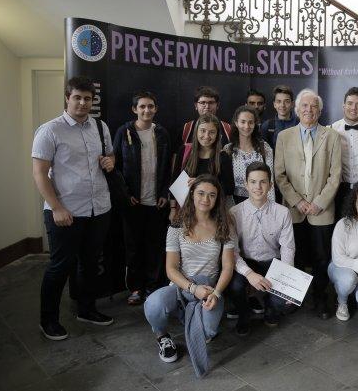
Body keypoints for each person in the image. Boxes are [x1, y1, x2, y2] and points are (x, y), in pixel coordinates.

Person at [32, 76, 114, 340]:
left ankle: (86, 309)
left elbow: (109, 156)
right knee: (60, 267)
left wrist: (109, 162)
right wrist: (56, 207)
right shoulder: (50, 130)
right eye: (77, 97)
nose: (82, 103)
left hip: (98, 208)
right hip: (65, 211)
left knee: (90, 264)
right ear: (67, 98)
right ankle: (49, 321)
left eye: (87, 98)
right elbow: (40, 173)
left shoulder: (100, 127)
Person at [144, 175, 235, 377]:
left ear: (217, 199)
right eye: (201, 193)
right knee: (153, 304)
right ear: (192, 194)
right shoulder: (177, 227)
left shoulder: (225, 225)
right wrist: (193, 289)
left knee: (209, 332)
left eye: (212, 195)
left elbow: (228, 266)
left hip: (210, 289)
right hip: (181, 287)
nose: (206, 199)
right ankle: (161, 335)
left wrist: (216, 293)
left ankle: (190, 317)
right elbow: (171, 269)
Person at [275, 88, 342, 319]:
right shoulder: (284, 137)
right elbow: (279, 174)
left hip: (322, 211)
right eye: (304, 106)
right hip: (294, 210)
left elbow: (336, 175)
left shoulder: (332, 136)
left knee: (321, 257)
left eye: (313, 106)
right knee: (296, 255)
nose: (309, 110)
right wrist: (298, 201)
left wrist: (319, 203)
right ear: (297, 109)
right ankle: (295, 296)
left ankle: (321, 298)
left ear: (320, 110)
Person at [113, 91, 171, 305]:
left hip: (157, 203)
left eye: (151, 106)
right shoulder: (124, 131)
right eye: (142, 107)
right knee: (133, 247)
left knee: (155, 247)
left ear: (156, 109)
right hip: (132, 203)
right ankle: (136, 288)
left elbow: (168, 168)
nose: (147, 110)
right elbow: (115, 167)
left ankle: (153, 287)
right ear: (134, 109)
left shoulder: (162, 133)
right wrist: (126, 194)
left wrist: (165, 192)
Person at [228, 162, 295, 335]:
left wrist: (287, 278)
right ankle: (244, 314)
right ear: (246, 184)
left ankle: (271, 308)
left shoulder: (282, 212)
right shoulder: (234, 213)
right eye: (253, 182)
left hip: (272, 260)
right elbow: (233, 252)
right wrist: (249, 274)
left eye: (263, 182)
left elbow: (287, 248)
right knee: (235, 286)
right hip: (245, 261)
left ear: (270, 185)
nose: (258, 187)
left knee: (284, 299)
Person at [170, 113, 235, 222]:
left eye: (212, 132)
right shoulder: (185, 150)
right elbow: (175, 180)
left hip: (212, 213)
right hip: (186, 211)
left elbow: (229, 188)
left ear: (218, 135)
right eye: (203, 130)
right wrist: (172, 209)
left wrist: (201, 183)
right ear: (196, 131)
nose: (206, 136)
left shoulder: (223, 157)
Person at [224, 105, 275, 204]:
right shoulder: (228, 149)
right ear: (236, 123)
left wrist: (270, 209)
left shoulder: (264, 148)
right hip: (234, 203)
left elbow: (270, 180)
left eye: (250, 122)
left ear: (255, 124)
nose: (247, 126)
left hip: (260, 200)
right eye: (243, 122)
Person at [328, 183, 358, 321]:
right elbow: (338, 258)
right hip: (340, 267)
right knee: (349, 279)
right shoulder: (343, 224)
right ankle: (342, 302)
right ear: (354, 202)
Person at [173, 86, 231, 153]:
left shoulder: (228, 129)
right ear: (196, 106)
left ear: (217, 105)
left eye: (211, 102)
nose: (207, 106)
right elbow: (176, 157)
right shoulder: (186, 129)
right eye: (203, 103)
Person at [331, 87, 358, 220]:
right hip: (339, 190)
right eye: (350, 103)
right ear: (343, 106)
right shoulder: (331, 129)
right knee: (339, 228)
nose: (354, 108)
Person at [261, 85, 298, 150]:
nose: (282, 105)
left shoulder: (300, 124)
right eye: (279, 101)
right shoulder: (267, 126)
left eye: (286, 101)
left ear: (292, 104)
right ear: (274, 104)